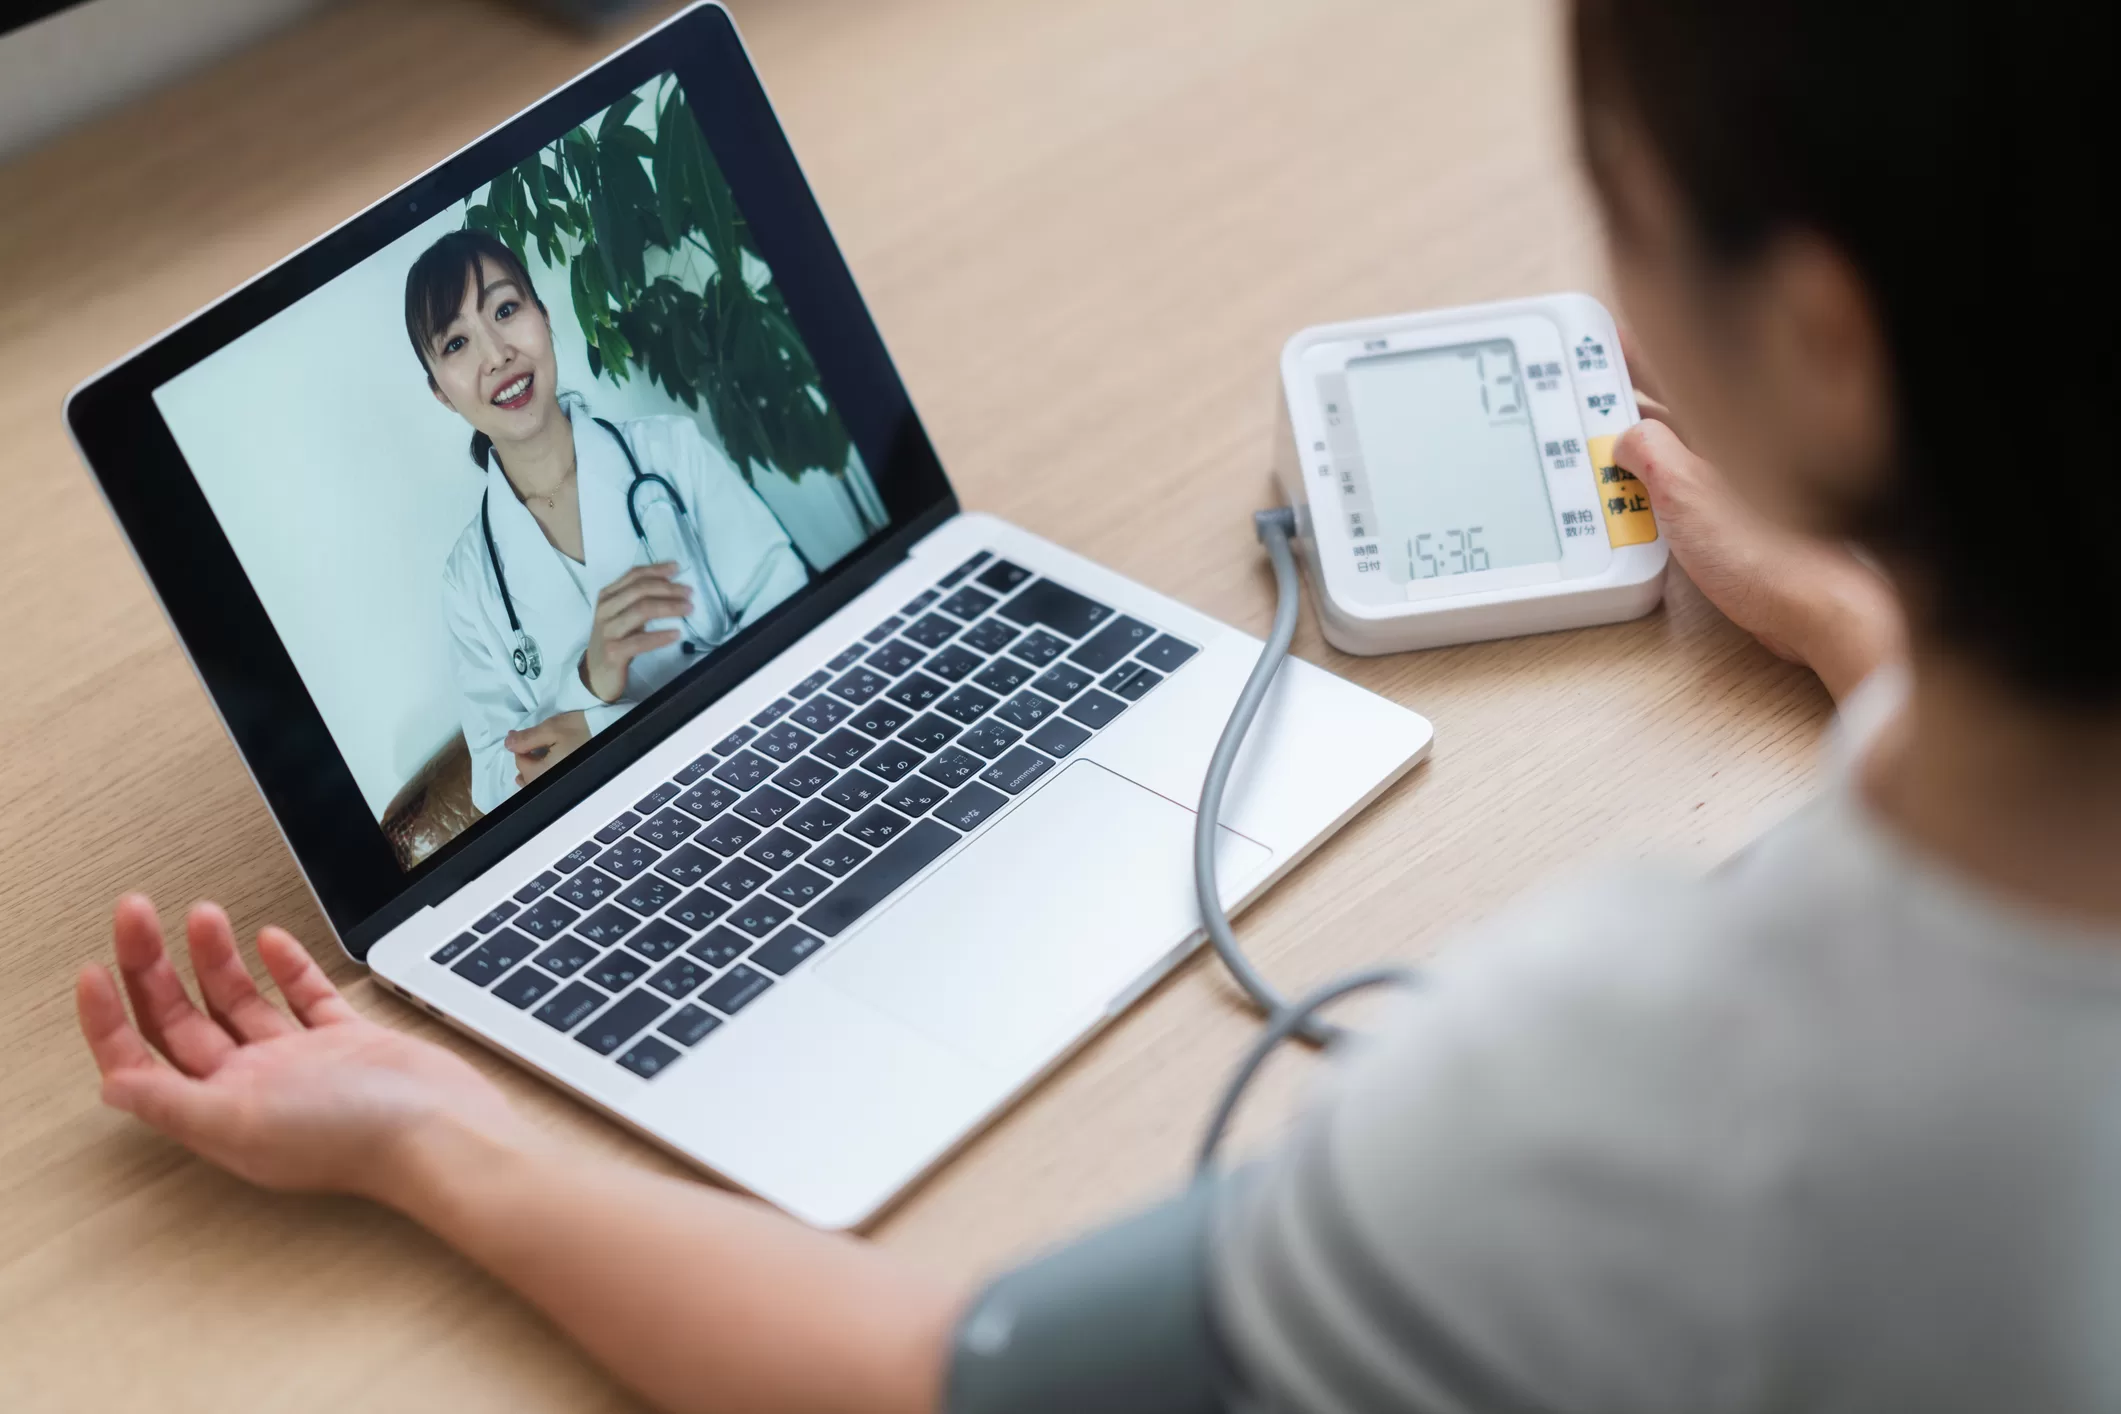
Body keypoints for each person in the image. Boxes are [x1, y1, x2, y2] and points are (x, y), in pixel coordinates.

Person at [71, 1, 2121, 1410]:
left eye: (1621, 184)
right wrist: (1879, 626)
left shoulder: (1632, 1100)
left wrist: (447, 1141)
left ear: (1827, 347)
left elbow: (940, 1371)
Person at [411, 230, 809, 811]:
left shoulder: (671, 452)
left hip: (768, 755)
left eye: (505, 309)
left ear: (543, 318)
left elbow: (792, 609)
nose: (496, 354)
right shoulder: (467, 583)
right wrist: (590, 679)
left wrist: (599, 727)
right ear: (442, 395)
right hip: (629, 829)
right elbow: (496, 783)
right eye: (455, 344)